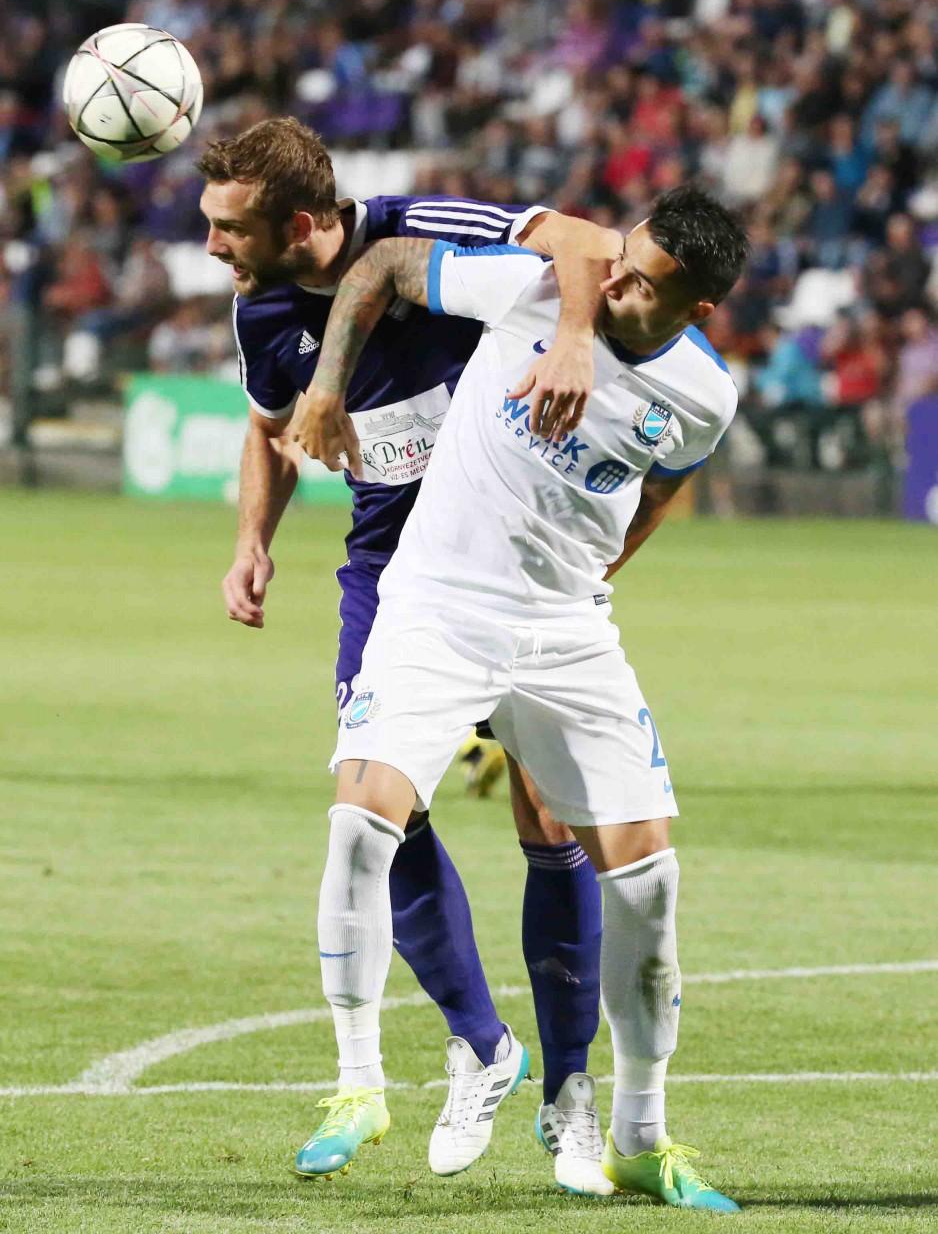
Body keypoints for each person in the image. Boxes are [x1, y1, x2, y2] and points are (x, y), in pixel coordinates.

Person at [292, 185, 748, 1211]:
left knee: (649, 879)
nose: (615, 282)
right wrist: (326, 387)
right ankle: (359, 1084)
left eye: (644, 283)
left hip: (567, 630)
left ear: (699, 308)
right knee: (361, 822)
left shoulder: (705, 394)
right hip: (437, 607)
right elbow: (382, 264)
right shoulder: (533, 292)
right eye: (622, 259)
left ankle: (638, 1138)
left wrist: (594, 574)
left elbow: (661, 486)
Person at [197, 116, 624, 1194]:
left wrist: (572, 340)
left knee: (548, 816)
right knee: (378, 812)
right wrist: (252, 540)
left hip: (510, 566)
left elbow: (585, 241)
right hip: (392, 577)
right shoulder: (259, 308)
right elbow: (267, 430)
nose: (211, 247)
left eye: (228, 228)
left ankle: (570, 1090)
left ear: (300, 222)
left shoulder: (425, 227)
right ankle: (480, 1044)